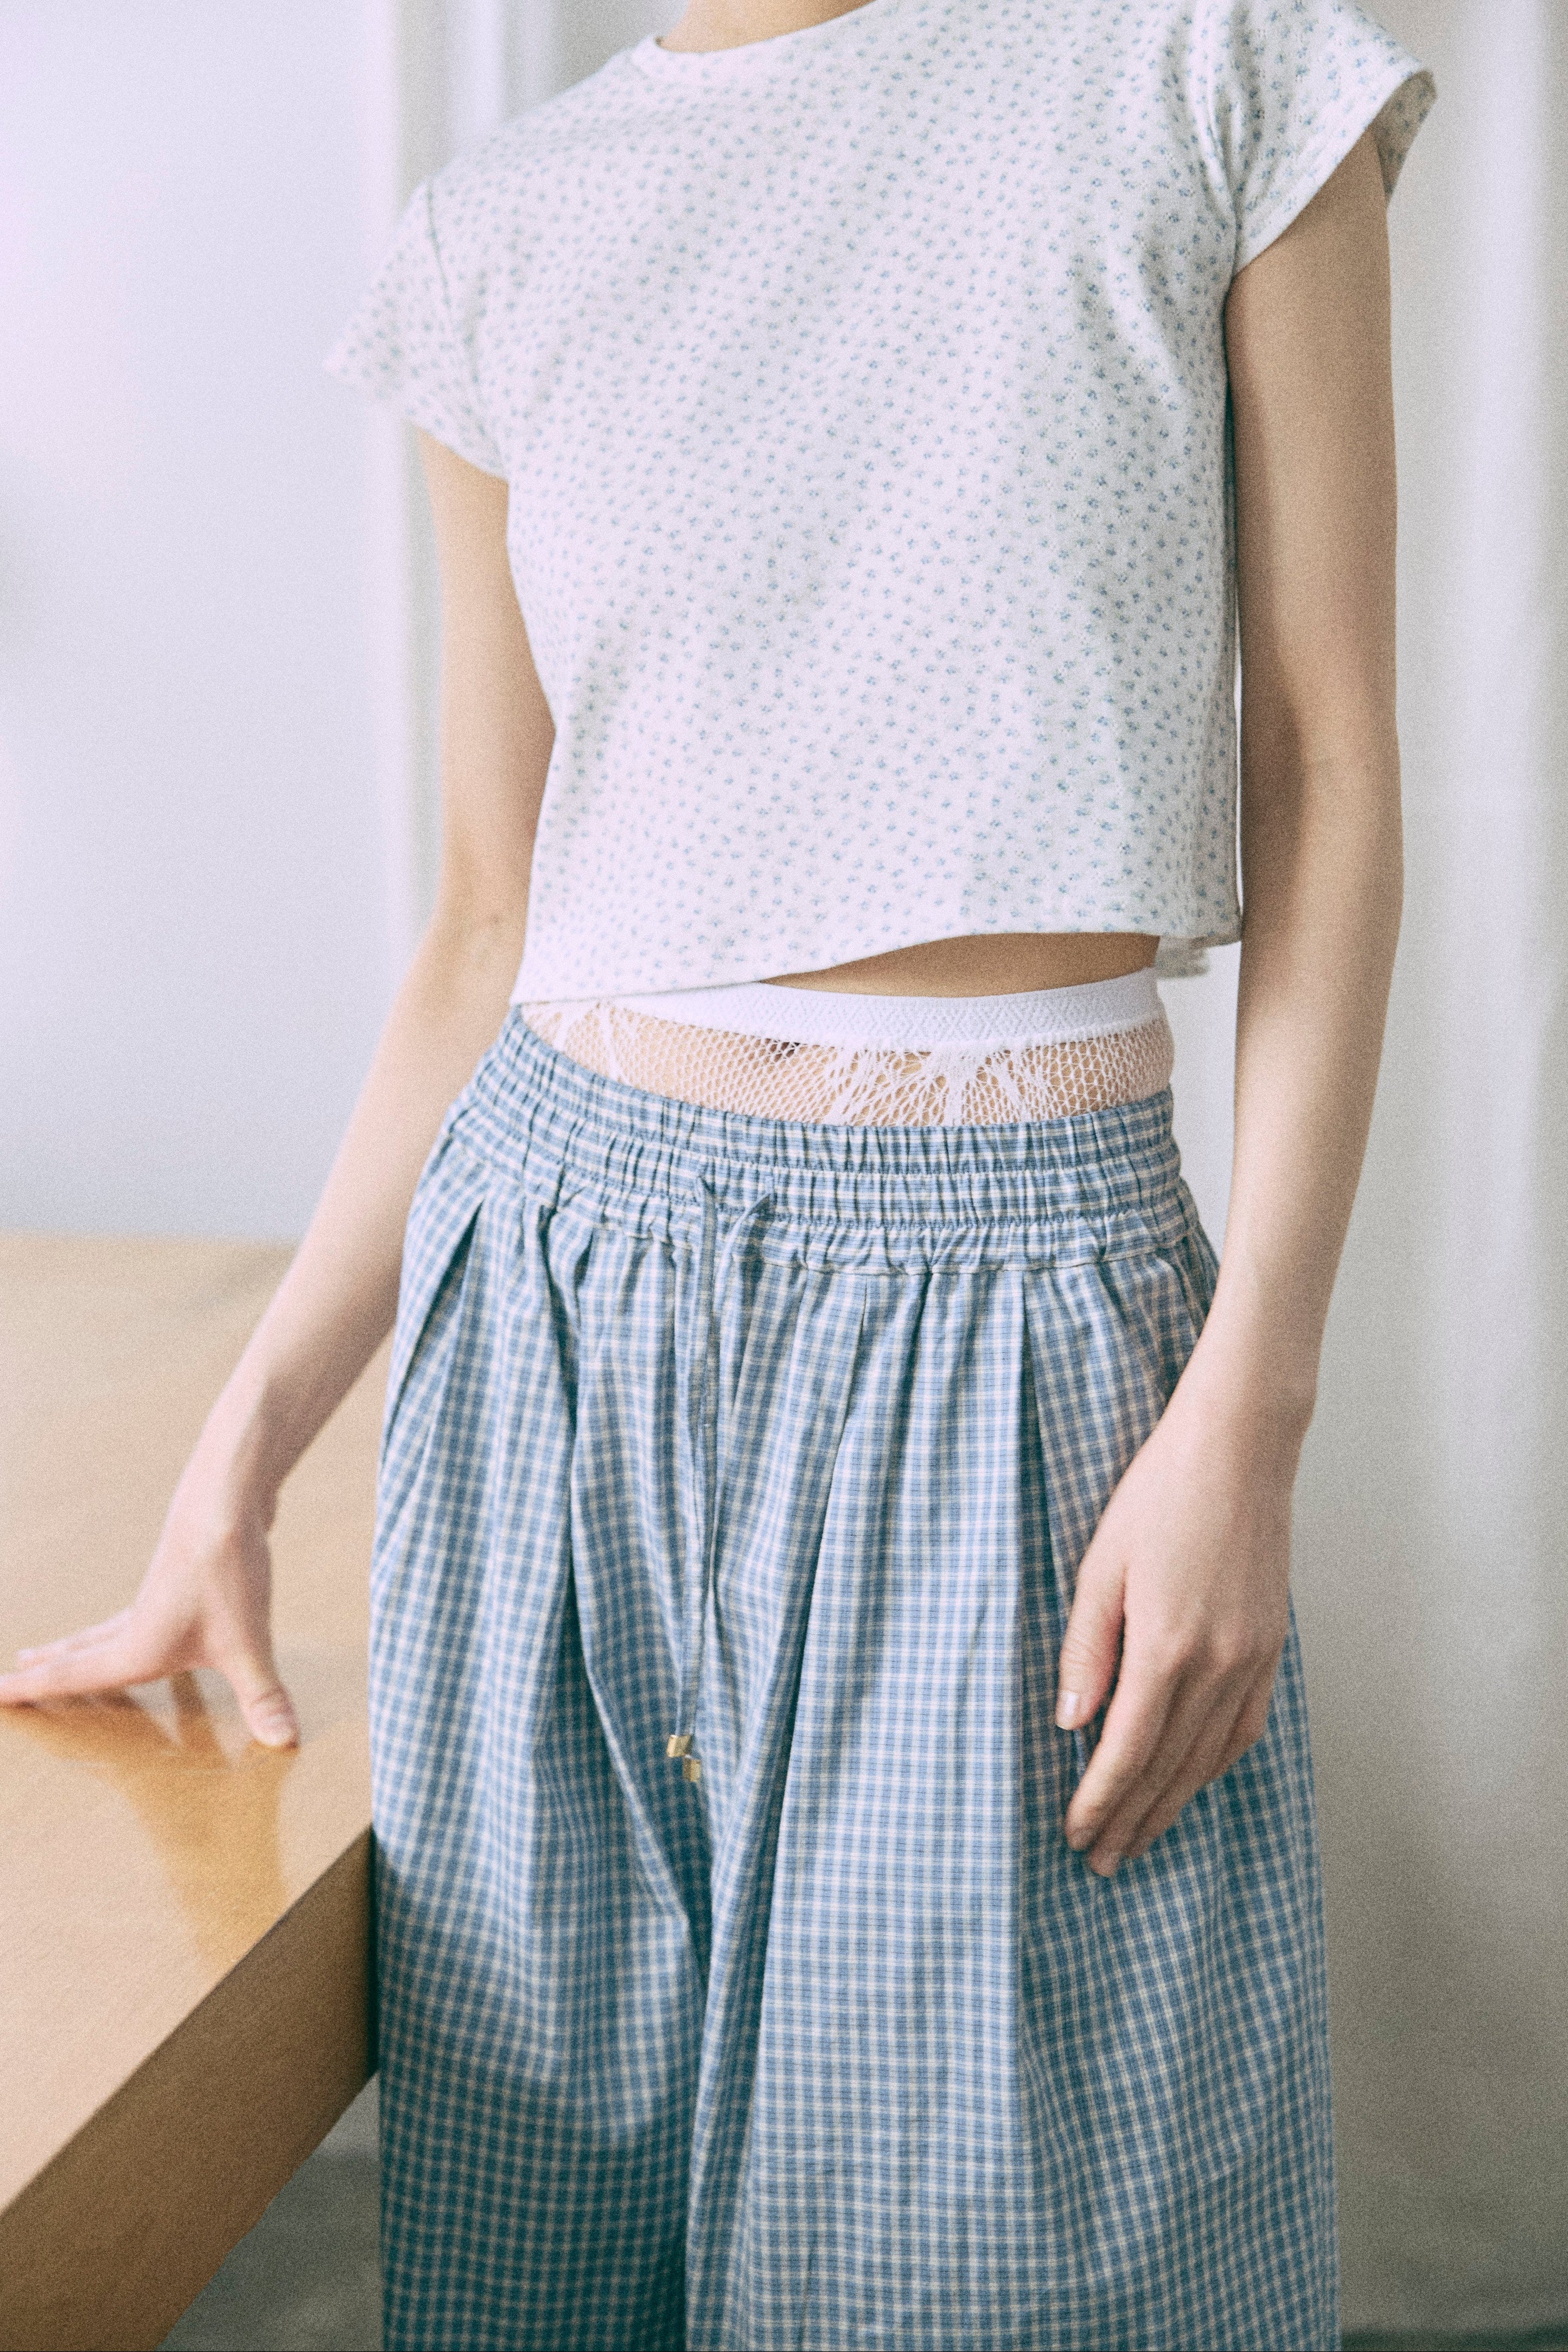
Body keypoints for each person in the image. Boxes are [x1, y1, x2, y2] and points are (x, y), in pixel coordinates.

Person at [1, 0, 1436, 2344]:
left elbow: (1330, 765)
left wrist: (1248, 1410)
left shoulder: (1205, 75)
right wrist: (235, 1467)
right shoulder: (499, 231)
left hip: (1009, 1317)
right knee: (547, 2241)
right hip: (556, 1312)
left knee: (981, 2266)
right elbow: (491, 922)